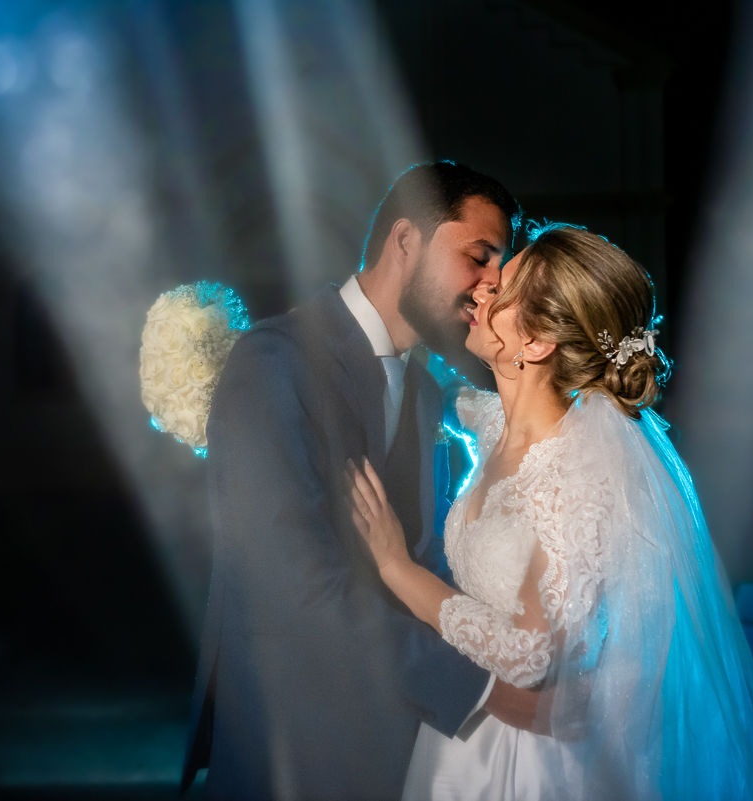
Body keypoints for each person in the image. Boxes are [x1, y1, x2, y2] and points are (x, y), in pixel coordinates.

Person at [349, 224, 753, 800]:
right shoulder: (496, 422)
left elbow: (528, 656)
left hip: (535, 760)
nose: (480, 292)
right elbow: (445, 391)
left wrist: (397, 568)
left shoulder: (574, 474)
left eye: (499, 294)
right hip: (466, 741)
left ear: (537, 344)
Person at [181, 162, 532, 800]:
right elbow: (292, 591)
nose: (491, 287)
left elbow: (421, 559)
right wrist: (478, 687)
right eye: (479, 257)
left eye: (500, 269)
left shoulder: (424, 392)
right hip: (292, 754)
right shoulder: (273, 363)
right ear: (406, 242)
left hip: (399, 751)